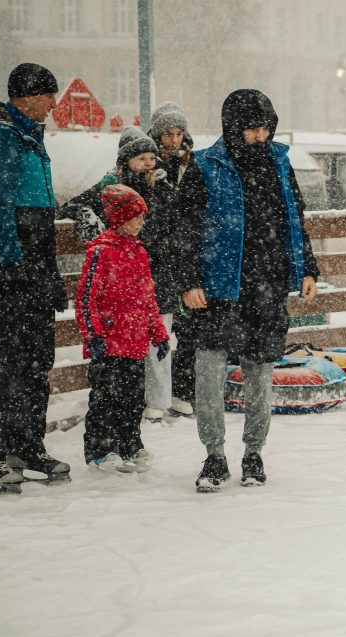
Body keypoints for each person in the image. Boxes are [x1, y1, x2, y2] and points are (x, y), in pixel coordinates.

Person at [181, 89, 319, 492]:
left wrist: (307, 268)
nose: (260, 136)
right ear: (233, 128)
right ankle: (214, 455)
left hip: (267, 286)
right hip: (218, 289)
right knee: (208, 374)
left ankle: (253, 453)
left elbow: (296, 218)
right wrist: (188, 281)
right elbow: (185, 230)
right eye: (252, 130)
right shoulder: (205, 166)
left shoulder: (280, 162)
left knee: (261, 373)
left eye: (264, 128)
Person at [0, 63, 69, 496]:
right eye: (48, 95)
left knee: (36, 360)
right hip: (10, 273)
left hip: (35, 268)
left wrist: (48, 274)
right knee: (5, 361)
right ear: (24, 97)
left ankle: (26, 445)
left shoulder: (31, 137)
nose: (53, 103)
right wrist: (13, 262)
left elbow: (40, 219)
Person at [59, 125, 183, 426]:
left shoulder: (163, 185)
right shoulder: (112, 187)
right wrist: (88, 217)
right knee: (128, 348)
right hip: (125, 274)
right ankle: (131, 405)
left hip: (158, 272)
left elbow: (178, 224)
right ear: (126, 160)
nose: (148, 164)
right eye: (141, 158)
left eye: (151, 158)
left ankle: (157, 401)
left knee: (159, 340)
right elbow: (71, 205)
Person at [76, 185, 170, 473]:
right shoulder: (101, 253)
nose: (142, 223)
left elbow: (148, 297)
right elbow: (85, 298)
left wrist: (158, 333)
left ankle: (129, 444)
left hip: (135, 342)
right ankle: (100, 450)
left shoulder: (139, 252)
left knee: (131, 399)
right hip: (108, 342)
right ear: (120, 219)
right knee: (105, 399)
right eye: (137, 217)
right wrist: (93, 334)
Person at [148, 101, 204, 418]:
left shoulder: (191, 164)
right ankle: (157, 396)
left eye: (178, 132)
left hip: (186, 254)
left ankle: (182, 390)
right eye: (167, 133)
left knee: (190, 328)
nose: (173, 140)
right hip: (158, 258)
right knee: (159, 329)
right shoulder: (144, 163)